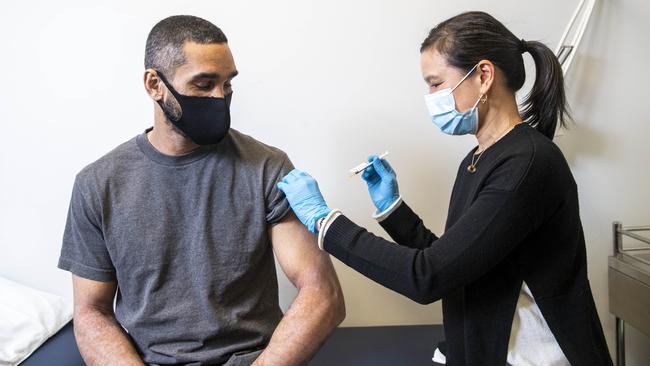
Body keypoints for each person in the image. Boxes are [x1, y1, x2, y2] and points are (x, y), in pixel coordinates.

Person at [277, 11, 613, 366]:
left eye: (435, 83)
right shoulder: (480, 158)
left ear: (483, 75)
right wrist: (394, 211)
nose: (430, 97)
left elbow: (428, 276)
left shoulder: (527, 163)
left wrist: (325, 221)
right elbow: (456, 264)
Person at [58, 15, 345, 366]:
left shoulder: (266, 168)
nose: (219, 97)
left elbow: (322, 293)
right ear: (154, 84)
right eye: (204, 84)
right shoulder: (98, 185)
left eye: (227, 85)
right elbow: (92, 312)